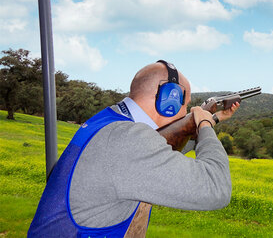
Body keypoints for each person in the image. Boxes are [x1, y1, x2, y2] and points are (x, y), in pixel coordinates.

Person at [28, 60, 239, 237]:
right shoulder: (127, 139)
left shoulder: (112, 122)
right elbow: (216, 188)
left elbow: (158, 154)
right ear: (169, 101)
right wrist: (205, 126)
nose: (186, 111)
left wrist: (213, 118)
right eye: (185, 105)